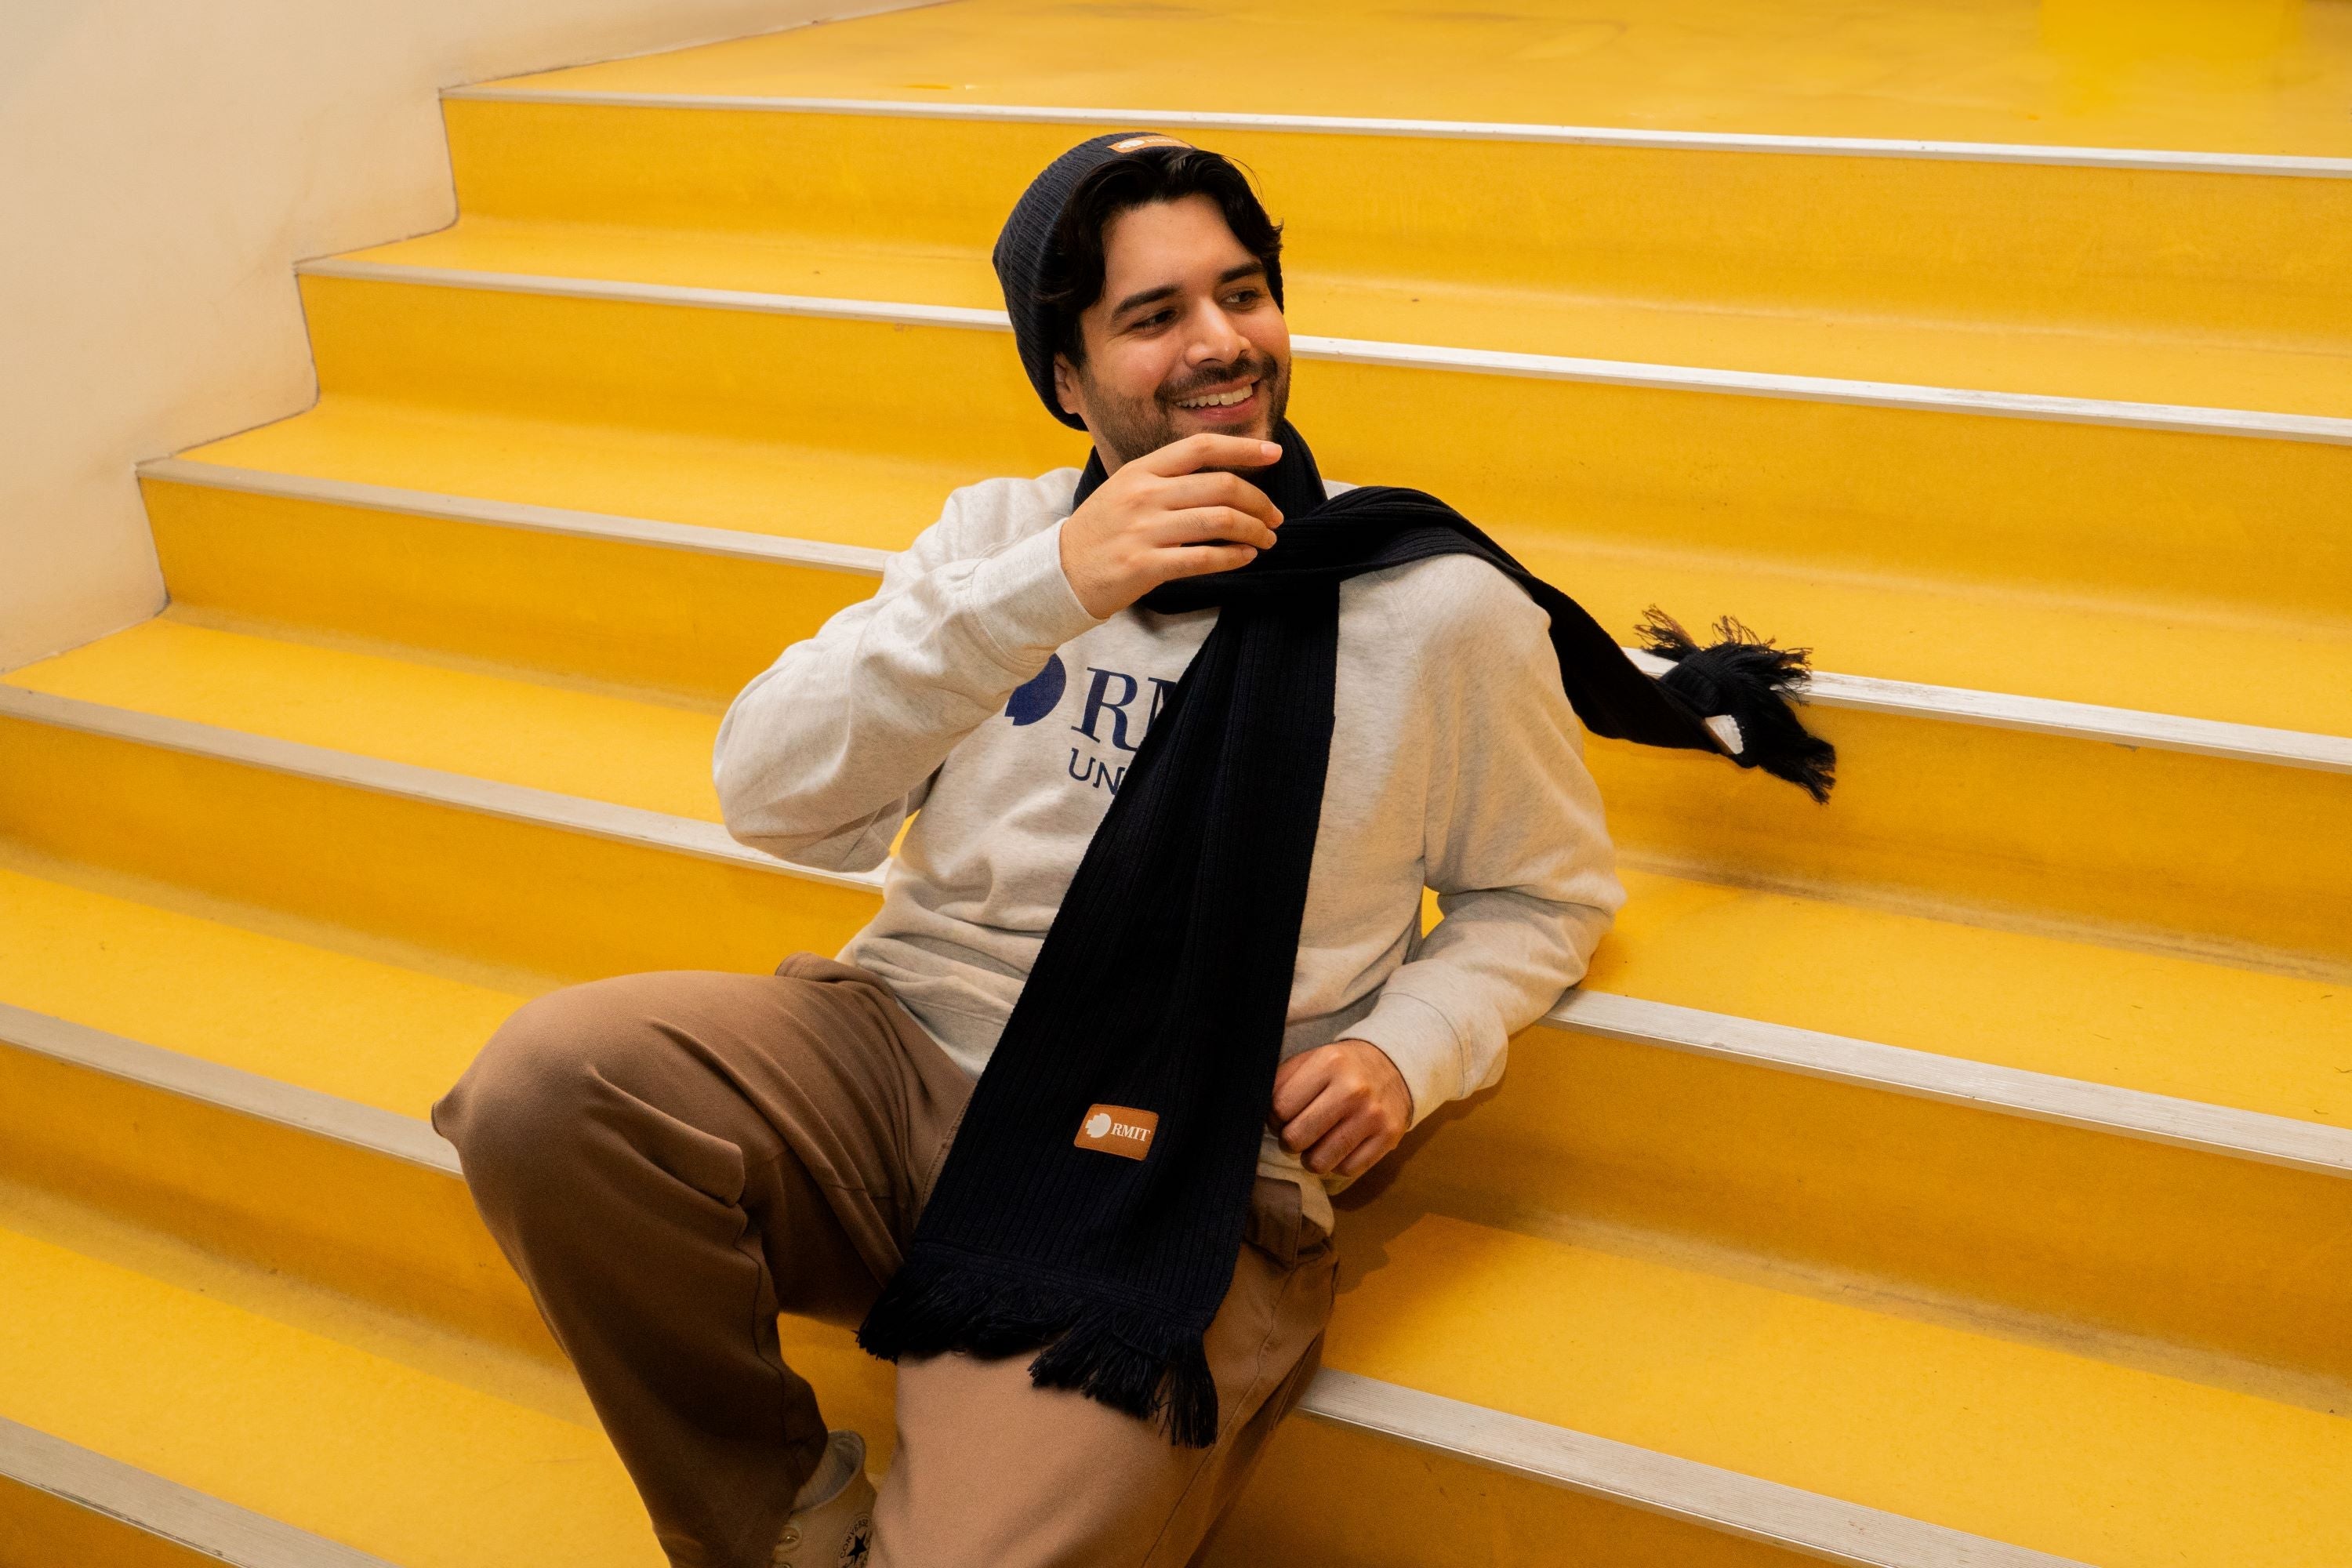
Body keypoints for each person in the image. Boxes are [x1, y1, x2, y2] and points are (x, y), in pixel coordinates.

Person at [431, 134, 1637, 1568]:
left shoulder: (1432, 609)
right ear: (1064, 377)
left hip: (1163, 1151)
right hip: (897, 1064)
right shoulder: (996, 545)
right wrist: (1049, 586)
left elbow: (1541, 894)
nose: (1220, 344)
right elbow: (772, 793)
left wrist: (1410, 1045)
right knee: (542, 1091)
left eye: (1241, 293)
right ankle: (776, 1519)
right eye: (1153, 316)